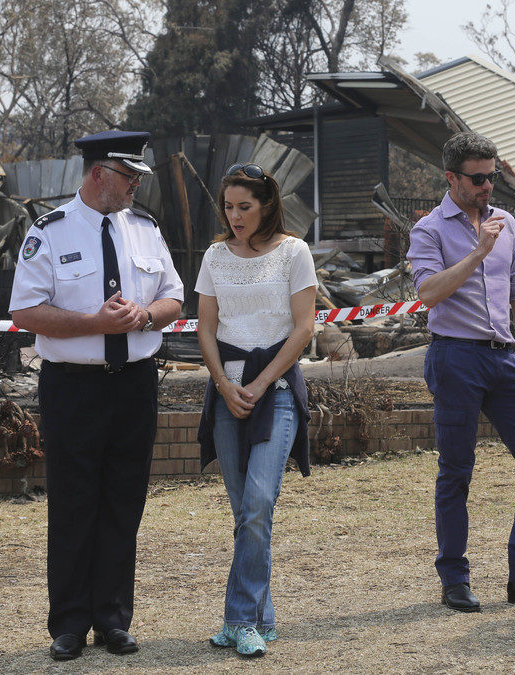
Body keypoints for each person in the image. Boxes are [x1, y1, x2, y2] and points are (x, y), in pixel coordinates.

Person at [9, 130, 184, 661]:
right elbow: (25, 312)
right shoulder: (49, 232)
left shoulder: (147, 230)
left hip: (133, 384)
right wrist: (94, 322)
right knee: (73, 504)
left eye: (137, 178)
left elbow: (175, 295)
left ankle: (112, 618)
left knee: (123, 502)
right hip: (74, 387)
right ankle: (68, 623)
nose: (135, 186)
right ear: (98, 174)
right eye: (128, 176)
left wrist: (146, 315)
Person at [406, 131, 515, 613]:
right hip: (455, 357)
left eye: (493, 176)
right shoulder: (429, 230)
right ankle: (454, 578)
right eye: (478, 179)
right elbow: (428, 294)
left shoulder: (506, 222)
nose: (488, 187)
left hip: (507, 360)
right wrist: (477, 252)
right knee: (457, 470)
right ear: (452, 178)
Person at [195, 163, 317, 656]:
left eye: (245, 206)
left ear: (267, 204)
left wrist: (263, 383)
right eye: (228, 207)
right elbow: (205, 327)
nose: (235, 215)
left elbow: (304, 327)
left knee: (258, 504)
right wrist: (224, 384)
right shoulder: (214, 256)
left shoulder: (294, 251)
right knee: (244, 511)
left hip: (278, 389)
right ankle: (260, 617)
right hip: (227, 391)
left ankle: (239, 621)